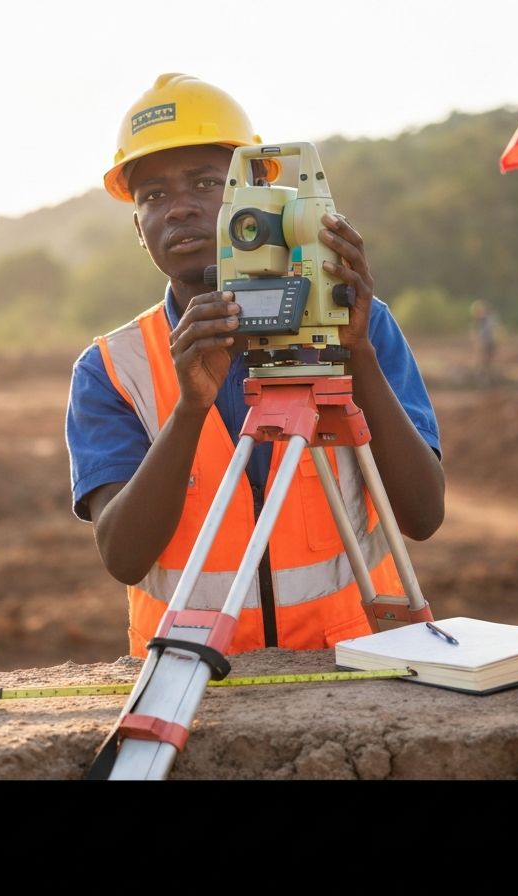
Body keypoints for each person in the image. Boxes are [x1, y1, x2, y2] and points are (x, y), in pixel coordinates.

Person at [66, 73, 445, 657]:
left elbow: (421, 515)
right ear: (138, 229)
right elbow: (123, 556)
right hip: (193, 679)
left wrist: (358, 354)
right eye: (153, 196)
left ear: (261, 200)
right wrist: (190, 409)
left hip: (354, 668)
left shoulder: (359, 327)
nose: (180, 209)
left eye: (205, 182)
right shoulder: (113, 368)